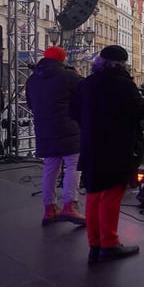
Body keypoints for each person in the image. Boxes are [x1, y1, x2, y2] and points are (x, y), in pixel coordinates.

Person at [70, 45, 144, 263]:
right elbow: (142, 111)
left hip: (91, 145)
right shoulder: (123, 84)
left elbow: (73, 111)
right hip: (116, 148)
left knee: (94, 194)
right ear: (121, 64)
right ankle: (109, 243)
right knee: (112, 195)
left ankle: (94, 244)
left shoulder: (86, 83)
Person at [26, 46, 85, 226]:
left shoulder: (32, 79)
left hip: (44, 129)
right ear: (62, 59)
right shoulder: (69, 76)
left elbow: (30, 103)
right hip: (68, 129)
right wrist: (78, 75)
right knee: (73, 165)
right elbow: (84, 97)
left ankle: (49, 209)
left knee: (51, 167)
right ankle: (70, 206)